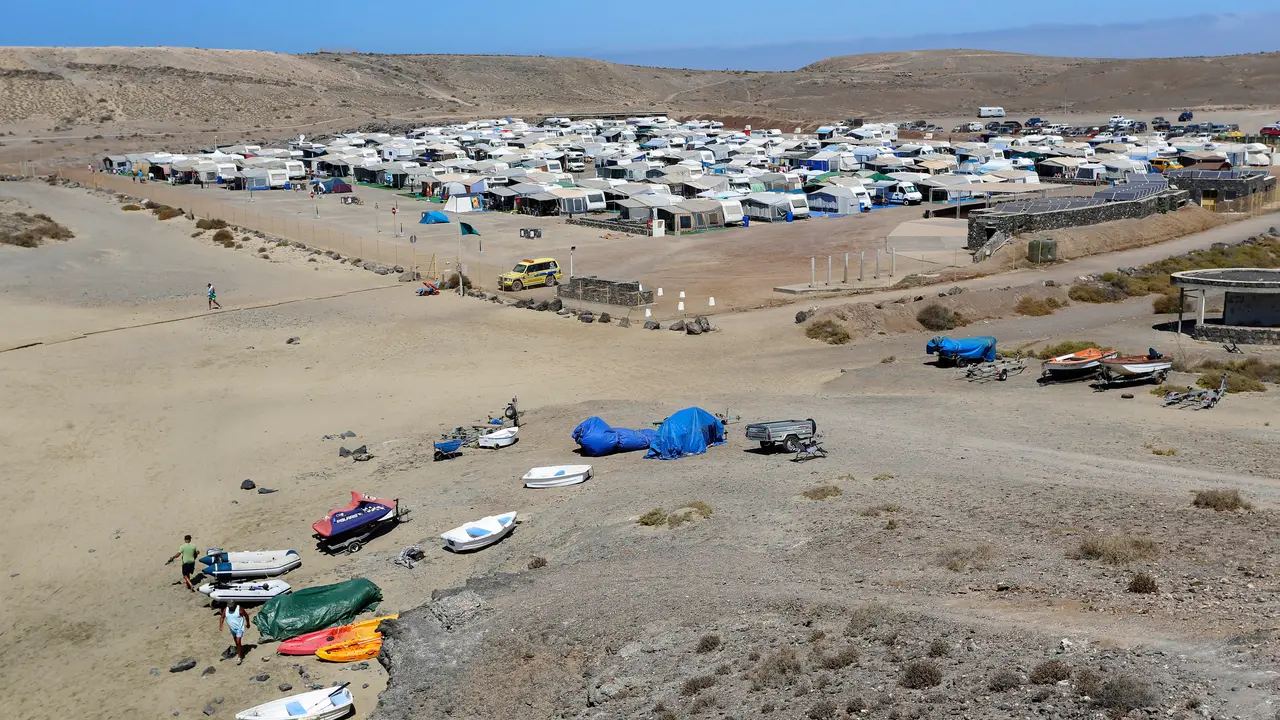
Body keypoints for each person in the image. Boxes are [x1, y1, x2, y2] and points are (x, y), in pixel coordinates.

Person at [219, 600, 251, 665]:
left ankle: (240, 657)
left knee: (238, 641)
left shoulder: (240, 609)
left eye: (231, 607)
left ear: (235, 605)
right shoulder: (226, 610)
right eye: (229, 607)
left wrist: (248, 624)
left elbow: (246, 616)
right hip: (232, 628)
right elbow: (222, 617)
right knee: (236, 642)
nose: (230, 608)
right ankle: (240, 649)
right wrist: (221, 625)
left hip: (239, 628)